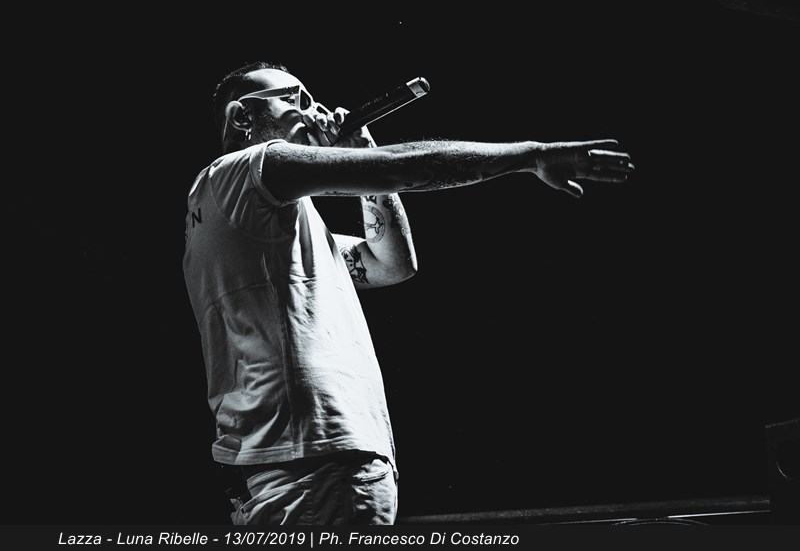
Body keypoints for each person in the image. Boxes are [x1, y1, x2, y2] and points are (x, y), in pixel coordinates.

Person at [182, 61, 633, 525]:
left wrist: (362, 150)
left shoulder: (252, 221)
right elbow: (407, 167)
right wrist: (531, 155)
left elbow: (390, 263)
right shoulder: (246, 168)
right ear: (242, 116)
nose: (314, 109)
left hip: (289, 463)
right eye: (294, 98)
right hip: (315, 460)